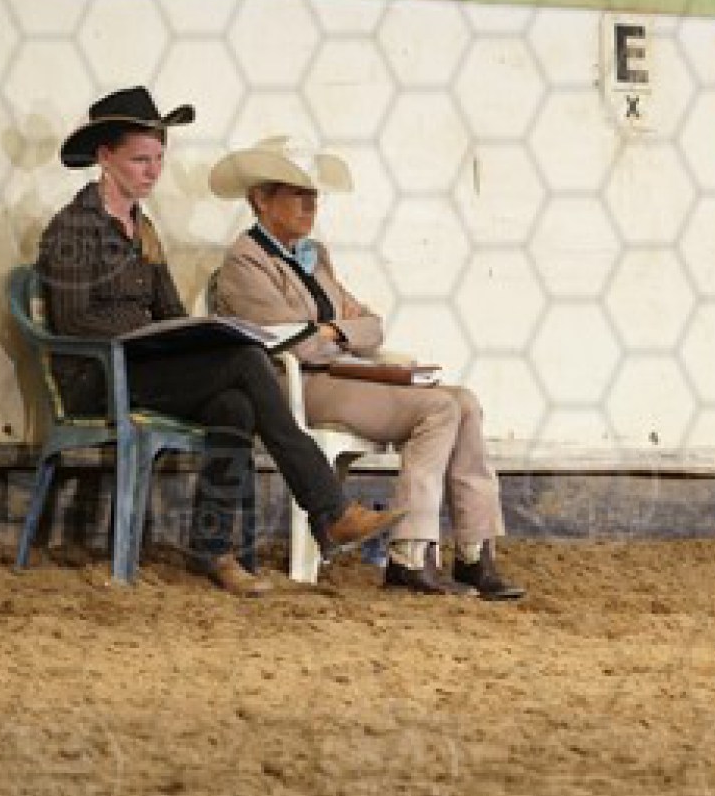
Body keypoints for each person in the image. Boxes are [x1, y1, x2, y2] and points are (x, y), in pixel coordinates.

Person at [34, 88, 406, 596]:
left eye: (159, 159)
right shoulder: (74, 228)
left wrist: (189, 334)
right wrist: (149, 337)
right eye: (140, 160)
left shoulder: (143, 229)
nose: (153, 171)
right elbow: (75, 322)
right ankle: (328, 509)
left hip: (143, 369)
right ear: (105, 157)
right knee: (248, 362)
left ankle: (214, 548)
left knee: (235, 403)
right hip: (98, 377)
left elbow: (169, 311)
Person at [209, 137, 523, 601]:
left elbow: (372, 326)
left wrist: (332, 331)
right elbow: (294, 343)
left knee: (466, 403)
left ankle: (475, 551)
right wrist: (337, 334)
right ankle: (410, 555)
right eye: (297, 193)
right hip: (300, 384)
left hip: (342, 374)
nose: (310, 204)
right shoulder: (245, 260)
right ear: (261, 199)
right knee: (438, 408)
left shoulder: (315, 256)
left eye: (314, 194)